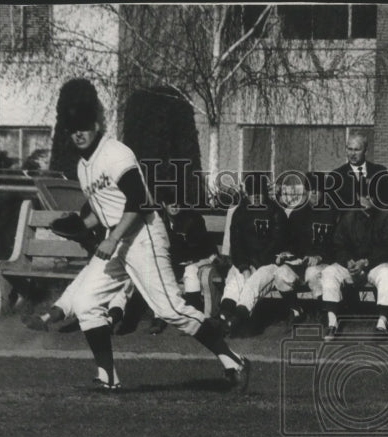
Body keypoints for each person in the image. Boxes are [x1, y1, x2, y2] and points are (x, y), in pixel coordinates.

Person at [40, 88, 249, 392]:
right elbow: (104, 209)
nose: (78, 134)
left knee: (169, 310)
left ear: (97, 125)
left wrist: (111, 239)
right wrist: (80, 224)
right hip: (120, 239)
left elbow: (139, 201)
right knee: (86, 303)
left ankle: (234, 361)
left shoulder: (115, 153)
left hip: (143, 236)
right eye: (72, 130)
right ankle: (107, 376)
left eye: (84, 127)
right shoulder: (83, 167)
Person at [319, 194, 388, 339]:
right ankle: (332, 322)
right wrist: (348, 261)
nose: (366, 199)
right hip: (353, 265)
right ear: (358, 197)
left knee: (386, 275)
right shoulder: (349, 217)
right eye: (362, 195)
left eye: (370, 195)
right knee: (329, 272)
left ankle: (382, 323)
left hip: (377, 265)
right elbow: (338, 245)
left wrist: (366, 262)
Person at [215, 173, 286, 335]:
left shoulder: (275, 212)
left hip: (268, 263)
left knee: (252, 284)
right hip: (245, 262)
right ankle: (224, 314)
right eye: (252, 193)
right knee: (236, 280)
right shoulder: (240, 212)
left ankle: (239, 319)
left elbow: (277, 242)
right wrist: (244, 266)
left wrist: (256, 264)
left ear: (265, 193)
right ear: (246, 193)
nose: (255, 197)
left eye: (259, 193)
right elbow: (236, 244)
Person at [270, 171, 337, 324]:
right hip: (299, 263)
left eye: (317, 190)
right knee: (279, 274)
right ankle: (295, 310)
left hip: (322, 263)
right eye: (310, 190)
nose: (313, 194)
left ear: (323, 192)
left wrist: (320, 256)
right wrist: (286, 253)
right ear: (305, 191)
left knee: (313, 274)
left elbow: (337, 244)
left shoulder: (331, 213)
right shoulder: (297, 214)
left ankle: (323, 311)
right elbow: (289, 242)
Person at [148, 203, 219, 333]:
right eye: (170, 202)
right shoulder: (158, 220)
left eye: (177, 202)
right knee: (158, 275)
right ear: (164, 204)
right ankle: (159, 317)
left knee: (191, 273)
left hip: (193, 260)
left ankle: (192, 318)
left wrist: (190, 260)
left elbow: (201, 245)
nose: (174, 206)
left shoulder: (193, 218)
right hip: (171, 262)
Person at [323, 131, 388, 213]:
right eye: (350, 149)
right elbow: (330, 210)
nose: (352, 154)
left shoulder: (379, 172)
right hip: (348, 224)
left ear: (366, 151)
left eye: (357, 150)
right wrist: (356, 205)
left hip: (375, 223)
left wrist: (373, 205)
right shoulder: (335, 176)